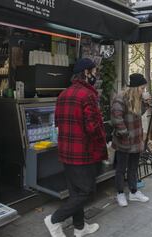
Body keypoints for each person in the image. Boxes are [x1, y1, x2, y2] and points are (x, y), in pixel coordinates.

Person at [44, 58, 107, 237]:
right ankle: (55, 220)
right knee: (87, 191)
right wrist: (103, 147)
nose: (95, 75)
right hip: (83, 153)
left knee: (75, 192)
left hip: (66, 152)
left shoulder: (63, 94)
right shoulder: (88, 95)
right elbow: (93, 128)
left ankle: (79, 227)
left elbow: (57, 123)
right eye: (94, 72)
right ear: (86, 73)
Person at [111, 73, 151, 207]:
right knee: (121, 169)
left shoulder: (137, 98)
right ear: (135, 87)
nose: (143, 91)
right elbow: (116, 118)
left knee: (133, 168)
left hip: (136, 140)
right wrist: (124, 134)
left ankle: (133, 192)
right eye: (142, 88)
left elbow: (139, 113)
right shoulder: (120, 98)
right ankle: (120, 193)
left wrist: (146, 102)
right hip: (124, 141)